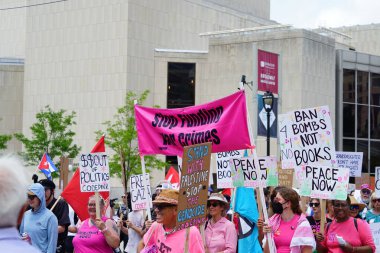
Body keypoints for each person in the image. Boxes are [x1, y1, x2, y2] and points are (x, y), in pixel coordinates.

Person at [137, 189, 204, 253]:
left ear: (175, 210)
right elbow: (142, 243)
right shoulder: (156, 226)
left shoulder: (191, 232)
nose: (156, 210)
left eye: (161, 206)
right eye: (156, 206)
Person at [0, 155, 41, 252]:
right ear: (22, 212)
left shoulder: (50, 217)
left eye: (33, 197)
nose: (31, 200)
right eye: (29, 197)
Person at [263, 187, 315, 253]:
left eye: (278, 199)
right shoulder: (272, 222)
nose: (274, 202)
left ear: (287, 203)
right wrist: (268, 236)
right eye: (275, 199)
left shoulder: (303, 224)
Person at [20, 183, 58, 253]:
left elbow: (52, 246)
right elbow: (21, 237)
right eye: (28, 196)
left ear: (40, 196)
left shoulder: (50, 217)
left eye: (32, 196)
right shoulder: (25, 215)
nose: (30, 199)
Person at [39, 179, 70, 253]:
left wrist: (42, 230)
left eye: (45, 190)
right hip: (41, 245)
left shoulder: (61, 204)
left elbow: (62, 228)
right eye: (40, 190)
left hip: (57, 245)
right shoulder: (38, 206)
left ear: (52, 191)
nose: (42, 193)